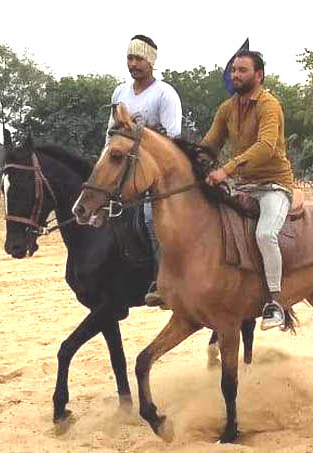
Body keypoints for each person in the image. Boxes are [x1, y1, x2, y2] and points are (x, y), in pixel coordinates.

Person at [202, 50, 295, 330]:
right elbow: (210, 144)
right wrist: (189, 159)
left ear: (259, 75)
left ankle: (276, 303)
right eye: (233, 70)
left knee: (265, 235)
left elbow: (266, 147)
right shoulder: (227, 108)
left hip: (273, 187)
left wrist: (226, 170)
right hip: (241, 186)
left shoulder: (269, 105)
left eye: (242, 70)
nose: (235, 75)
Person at [105, 35, 183, 306]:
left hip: (156, 174)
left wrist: (138, 132)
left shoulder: (165, 94)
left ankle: (164, 279)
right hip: (123, 169)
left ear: (151, 62)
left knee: (151, 219)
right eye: (130, 58)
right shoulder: (119, 93)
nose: (133, 64)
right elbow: (111, 133)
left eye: (139, 59)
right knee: (97, 207)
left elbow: (172, 137)